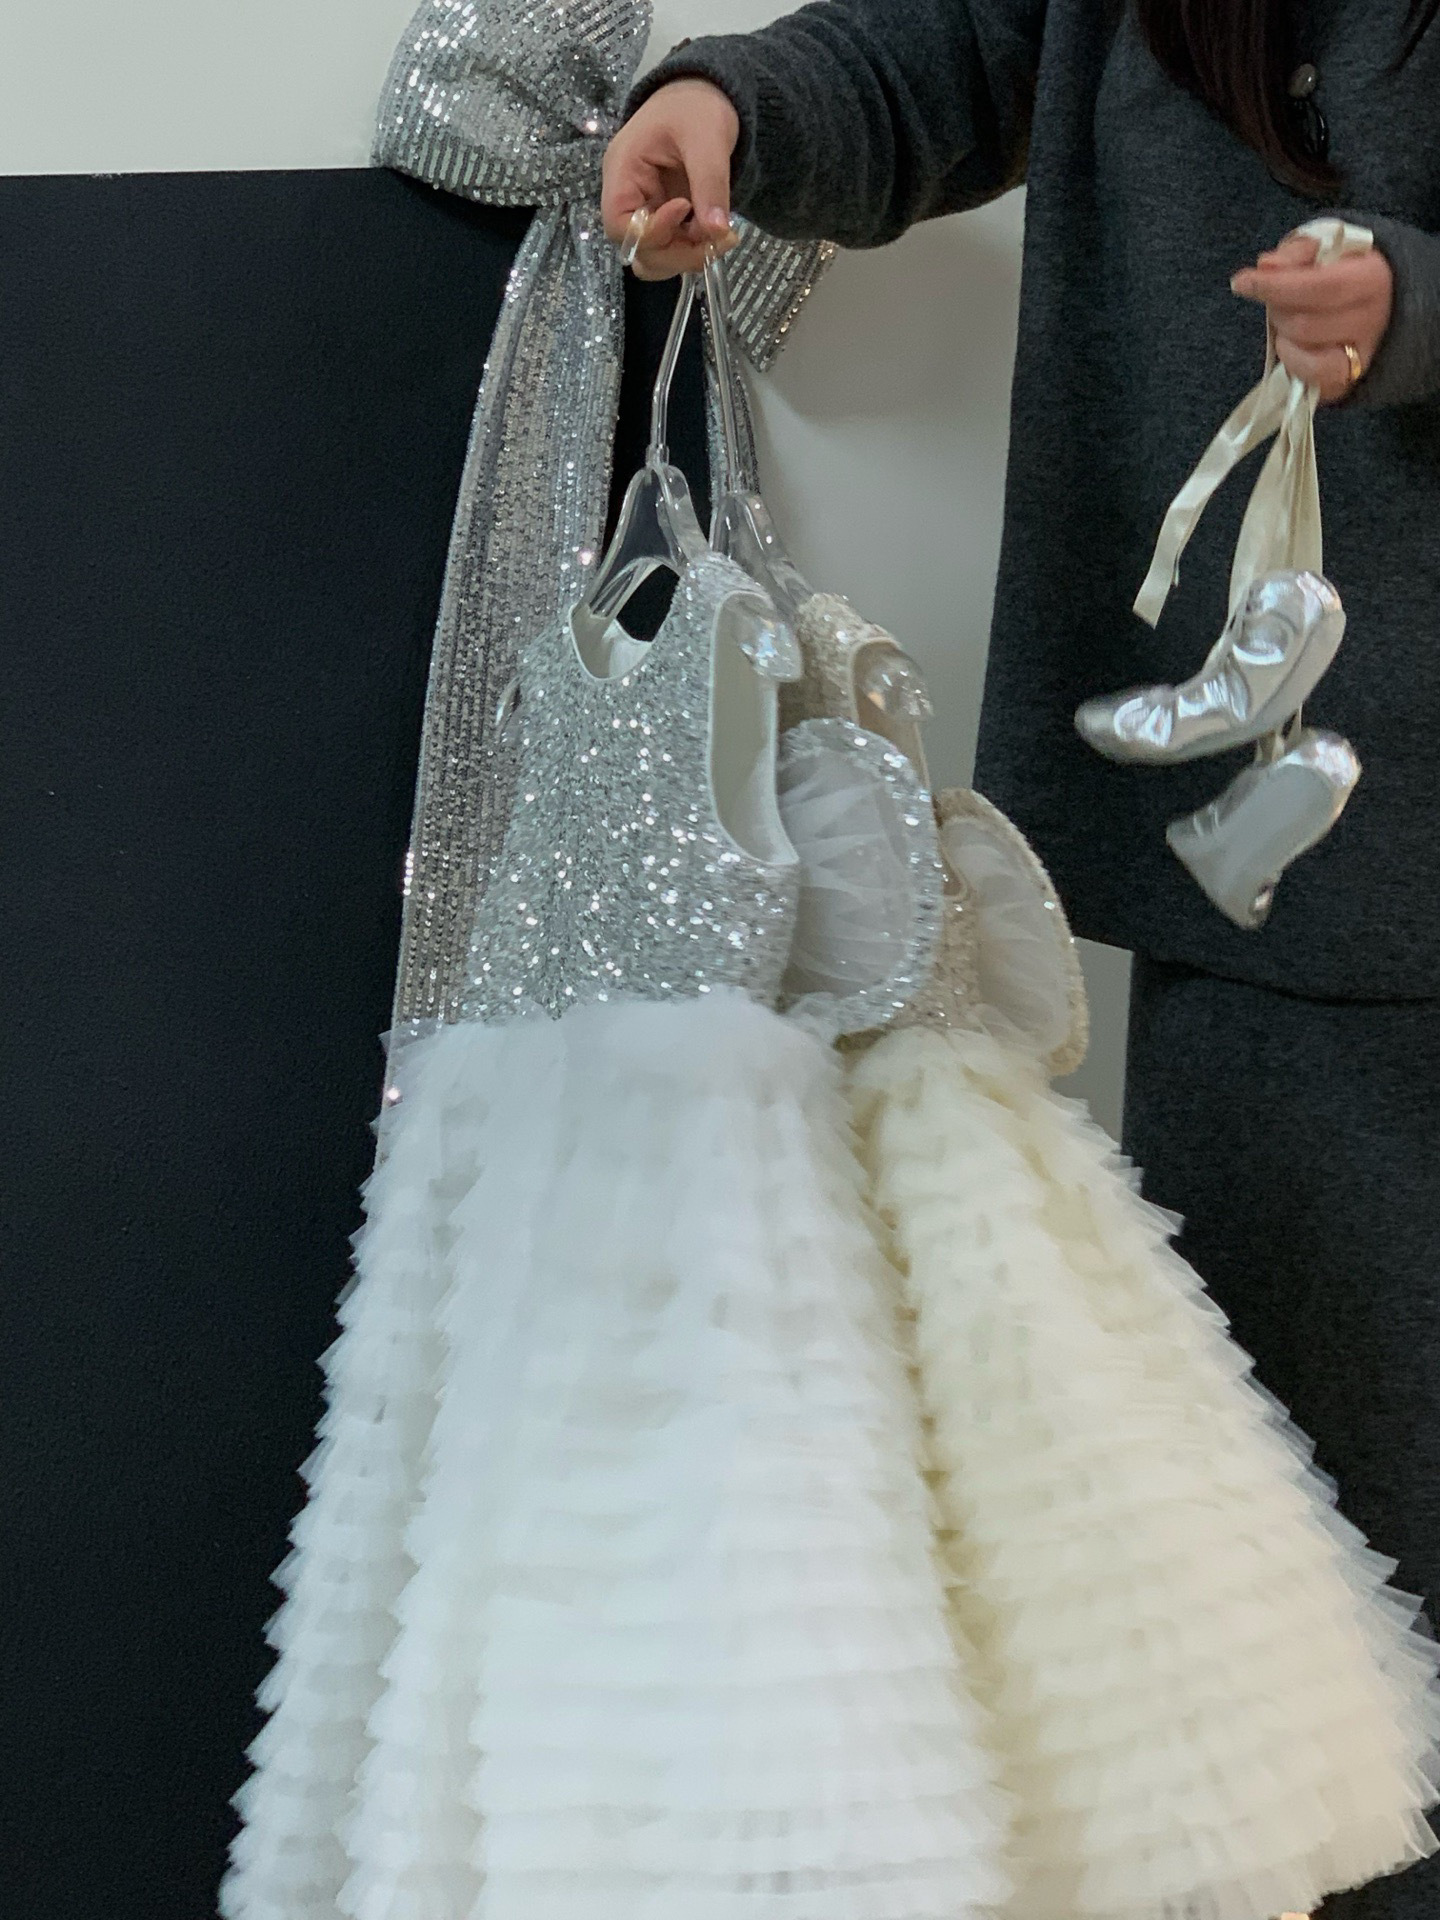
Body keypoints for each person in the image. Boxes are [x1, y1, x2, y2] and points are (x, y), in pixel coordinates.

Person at [602, 7, 1440, 1918]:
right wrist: (735, 106)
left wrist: (1419, 310)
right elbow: (957, 51)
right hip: (1264, 873)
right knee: (1306, 1633)